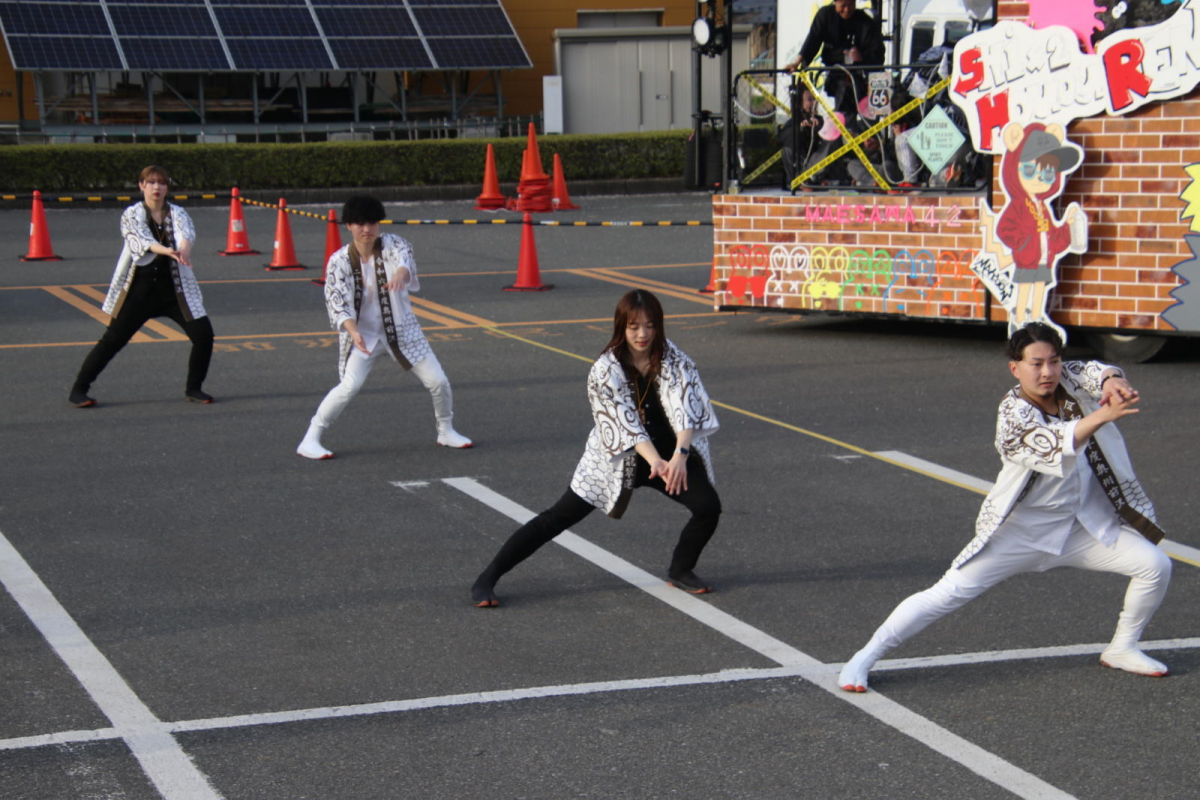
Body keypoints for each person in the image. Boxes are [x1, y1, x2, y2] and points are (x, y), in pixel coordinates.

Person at [838, 323, 1173, 692]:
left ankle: (1122, 647)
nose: (1047, 371)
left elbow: (1095, 370)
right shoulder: (1012, 413)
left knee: (1154, 565)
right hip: (1019, 533)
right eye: (1035, 363)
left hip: (1081, 529)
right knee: (946, 594)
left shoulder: (1070, 378)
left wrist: (1111, 380)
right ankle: (865, 657)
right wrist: (1100, 417)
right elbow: (1053, 443)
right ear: (1015, 368)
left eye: (1054, 361)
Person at [471, 290, 721, 607]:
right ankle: (487, 578)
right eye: (634, 327)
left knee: (708, 506)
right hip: (619, 457)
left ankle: (681, 568)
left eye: (649, 325)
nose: (642, 334)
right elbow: (622, 424)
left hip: (673, 456)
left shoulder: (674, 358)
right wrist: (655, 461)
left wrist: (679, 456)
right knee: (556, 518)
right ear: (621, 327)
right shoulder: (605, 369)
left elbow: (688, 407)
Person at [296, 195, 471, 459]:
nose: (367, 229)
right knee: (349, 386)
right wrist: (353, 332)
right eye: (359, 223)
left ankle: (445, 430)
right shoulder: (339, 261)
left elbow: (404, 263)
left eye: (372, 223)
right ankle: (310, 438)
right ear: (349, 226)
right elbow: (337, 302)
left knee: (439, 381)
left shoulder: (395, 244)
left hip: (402, 330)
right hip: (363, 336)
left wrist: (400, 276)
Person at [69, 165, 215, 407]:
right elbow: (139, 240)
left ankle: (194, 388)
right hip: (139, 291)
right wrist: (166, 250)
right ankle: (78, 389)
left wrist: (184, 249)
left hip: (174, 292)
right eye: (151, 182)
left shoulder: (177, 213)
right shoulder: (131, 214)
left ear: (167, 187)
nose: (156, 187)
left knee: (204, 336)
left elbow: (185, 233)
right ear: (141, 186)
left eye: (162, 183)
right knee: (112, 340)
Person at [786, 0, 884, 118]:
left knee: (871, 115)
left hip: (865, 77)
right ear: (835, 3)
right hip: (838, 76)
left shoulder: (865, 21)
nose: (847, 10)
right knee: (844, 102)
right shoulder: (826, 15)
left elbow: (877, 52)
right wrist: (797, 62)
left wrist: (861, 57)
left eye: (851, 5)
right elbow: (812, 41)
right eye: (843, 6)